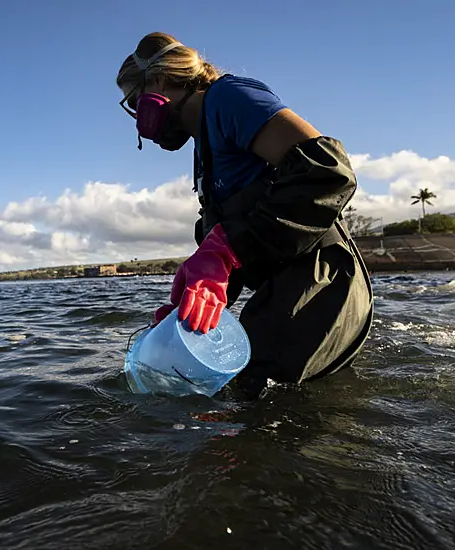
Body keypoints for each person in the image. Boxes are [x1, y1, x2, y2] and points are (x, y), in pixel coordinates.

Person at [116, 32, 374, 398]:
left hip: (322, 283)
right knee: (243, 399)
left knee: (262, 411)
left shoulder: (229, 98)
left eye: (135, 100)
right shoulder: (205, 148)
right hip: (282, 287)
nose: (137, 115)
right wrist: (194, 300)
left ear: (158, 81)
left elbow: (327, 171)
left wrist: (223, 250)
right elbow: (244, 241)